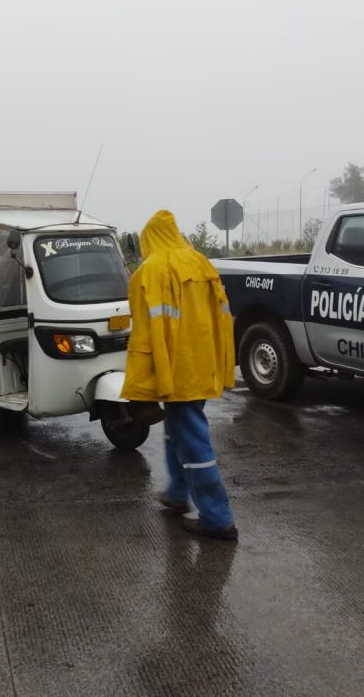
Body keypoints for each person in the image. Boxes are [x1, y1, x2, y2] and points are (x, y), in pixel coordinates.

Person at [121, 209, 238, 540]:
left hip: (176, 371)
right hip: (204, 365)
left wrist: (139, 389)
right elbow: (221, 317)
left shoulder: (150, 272)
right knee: (176, 431)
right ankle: (176, 493)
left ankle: (218, 519)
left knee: (192, 441)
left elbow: (144, 338)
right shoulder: (202, 262)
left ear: (148, 241)